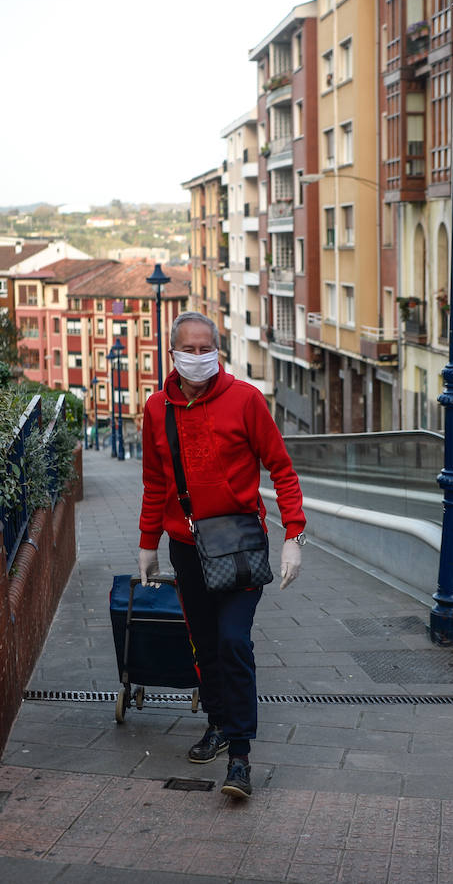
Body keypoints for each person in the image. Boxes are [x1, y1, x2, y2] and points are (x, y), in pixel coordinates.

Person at [137, 311, 306, 799]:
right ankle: (216, 722)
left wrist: (294, 534)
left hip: (239, 546)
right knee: (204, 645)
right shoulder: (156, 410)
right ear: (171, 353)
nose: (196, 357)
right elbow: (154, 484)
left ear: (218, 350)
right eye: (187, 349)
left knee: (234, 642)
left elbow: (282, 469)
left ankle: (239, 756)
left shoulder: (246, 401)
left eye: (204, 348)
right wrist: (149, 543)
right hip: (187, 549)